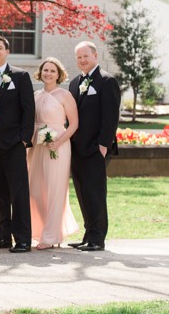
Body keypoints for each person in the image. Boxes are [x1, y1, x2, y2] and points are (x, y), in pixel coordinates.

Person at [0, 36, 35, 253]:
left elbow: (28, 109)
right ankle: (2, 237)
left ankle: (22, 239)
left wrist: (24, 138)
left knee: (18, 192)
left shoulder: (20, 76)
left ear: (7, 51)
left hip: (13, 143)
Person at [67, 41, 120, 252]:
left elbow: (111, 117)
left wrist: (103, 145)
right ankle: (88, 235)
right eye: (79, 57)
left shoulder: (107, 81)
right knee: (82, 192)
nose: (82, 60)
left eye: (85, 56)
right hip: (77, 148)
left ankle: (98, 239)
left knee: (95, 193)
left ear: (95, 56)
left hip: (96, 148)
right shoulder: (74, 83)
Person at [28, 57, 79, 250]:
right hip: (37, 144)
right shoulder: (36, 95)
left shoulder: (64, 96)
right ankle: (46, 230)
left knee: (55, 189)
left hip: (58, 144)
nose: (48, 73)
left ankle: (50, 236)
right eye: (45, 70)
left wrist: (58, 141)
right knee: (35, 190)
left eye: (52, 71)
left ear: (59, 74)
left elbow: (74, 124)